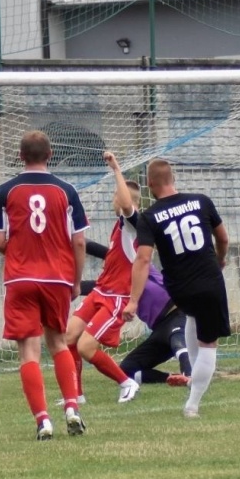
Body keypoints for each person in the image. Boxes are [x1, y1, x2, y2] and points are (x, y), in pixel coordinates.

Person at [0, 130, 88, 439]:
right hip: (57, 278)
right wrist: (75, 282)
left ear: (20, 157)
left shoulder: (5, 191)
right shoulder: (67, 191)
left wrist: (20, 250)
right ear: (50, 155)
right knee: (58, 342)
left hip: (20, 279)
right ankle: (72, 408)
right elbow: (80, 241)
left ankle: (43, 420)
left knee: (29, 352)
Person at [125, 158, 229, 418]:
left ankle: (191, 381)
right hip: (209, 281)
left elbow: (144, 259)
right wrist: (219, 259)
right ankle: (192, 405)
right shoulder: (201, 201)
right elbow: (223, 238)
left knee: (192, 320)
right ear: (174, 178)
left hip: (180, 290)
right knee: (208, 344)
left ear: (150, 185)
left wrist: (133, 300)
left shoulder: (149, 217)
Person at [64, 151, 141, 405]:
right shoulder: (120, 225)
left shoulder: (133, 226)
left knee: (86, 347)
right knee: (69, 336)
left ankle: (126, 382)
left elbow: (129, 205)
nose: (113, 199)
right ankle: (76, 395)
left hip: (115, 299)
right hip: (100, 293)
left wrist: (116, 169)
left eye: (116, 195)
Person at [116, 264, 193, 388]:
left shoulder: (139, 266)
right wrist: (73, 285)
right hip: (159, 331)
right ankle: (174, 378)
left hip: (178, 314)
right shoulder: (116, 285)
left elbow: (108, 254)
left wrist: (75, 244)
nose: (104, 269)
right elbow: (91, 288)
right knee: (125, 370)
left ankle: (190, 375)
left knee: (177, 338)